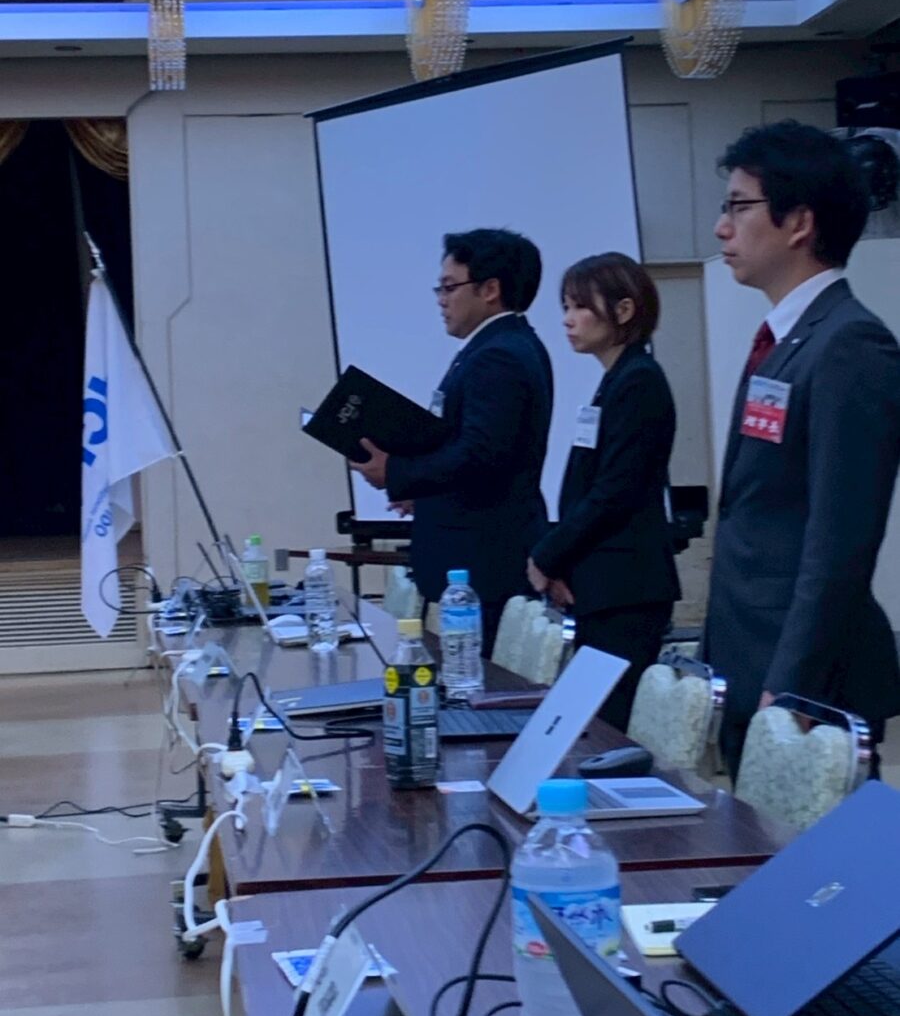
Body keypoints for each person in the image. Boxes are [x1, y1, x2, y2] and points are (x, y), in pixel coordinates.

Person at [703, 120, 900, 780]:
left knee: (823, 851)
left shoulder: (849, 344)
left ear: (799, 223)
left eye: (739, 207)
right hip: (750, 656)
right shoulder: (789, 338)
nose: (721, 228)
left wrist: (793, 685)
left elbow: (840, 539)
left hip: (807, 681)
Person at [351, 228, 553, 655]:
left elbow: (481, 455)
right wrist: (420, 489)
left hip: (484, 562)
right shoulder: (496, 346)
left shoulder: (499, 355)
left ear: (490, 290)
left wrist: (396, 471)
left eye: (449, 287)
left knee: (480, 682)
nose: (441, 300)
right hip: (476, 556)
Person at [527, 253, 681, 732]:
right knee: (594, 723)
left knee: (608, 729)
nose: (568, 320)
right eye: (565, 307)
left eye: (580, 306)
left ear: (624, 310)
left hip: (626, 588)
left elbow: (615, 491)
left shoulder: (639, 382)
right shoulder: (615, 380)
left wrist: (548, 555)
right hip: (603, 584)